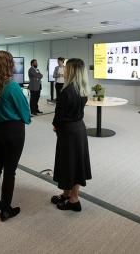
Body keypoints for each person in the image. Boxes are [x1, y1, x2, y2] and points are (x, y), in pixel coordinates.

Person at [0, 51, 31, 222]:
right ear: (9, 65)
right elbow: (26, 114)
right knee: (10, 172)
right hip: (13, 131)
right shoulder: (12, 86)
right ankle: (5, 210)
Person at [51, 58, 91, 212]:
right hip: (79, 129)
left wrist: (55, 126)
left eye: (66, 68)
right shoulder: (82, 88)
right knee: (74, 163)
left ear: (72, 70)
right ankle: (66, 194)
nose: (64, 70)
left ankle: (74, 200)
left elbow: (59, 115)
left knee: (69, 163)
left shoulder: (66, 91)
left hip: (67, 131)